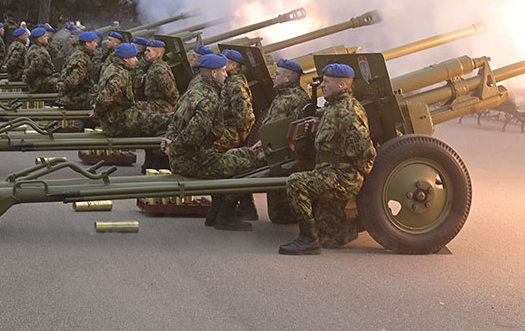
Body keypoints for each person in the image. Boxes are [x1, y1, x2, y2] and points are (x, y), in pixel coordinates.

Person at [279, 63, 376, 255]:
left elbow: (366, 152)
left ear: (341, 85)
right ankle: (367, 222)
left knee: (296, 183)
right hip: (330, 170)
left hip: (341, 175)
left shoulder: (348, 111)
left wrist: (358, 181)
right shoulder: (334, 107)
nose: (323, 85)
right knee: (329, 238)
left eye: (327, 82)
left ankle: (307, 240)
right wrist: (318, 126)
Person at [161, 53, 263, 231]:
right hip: (193, 161)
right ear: (214, 73)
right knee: (246, 164)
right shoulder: (209, 99)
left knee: (235, 156)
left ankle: (214, 214)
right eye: (223, 71)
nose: (226, 74)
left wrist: (170, 142)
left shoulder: (195, 89)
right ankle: (225, 216)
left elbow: (175, 121)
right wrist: (175, 148)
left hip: (190, 158)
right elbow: (195, 133)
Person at [246, 58, 312, 224]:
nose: (273, 77)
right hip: (271, 148)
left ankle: (241, 209)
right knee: (278, 217)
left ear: (288, 78)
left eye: (277, 74)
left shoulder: (294, 99)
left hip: (278, 153)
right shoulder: (284, 96)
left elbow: (286, 133)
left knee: (240, 163)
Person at [93, 43, 170, 137]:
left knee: (152, 115)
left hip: (115, 118)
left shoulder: (113, 67)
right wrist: (97, 110)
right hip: (118, 122)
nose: (136, 60)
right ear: (126, 59)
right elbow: (104, 98)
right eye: (133, 57)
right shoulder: (119, 75)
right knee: (160, 121)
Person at [58, 30, 98, 109]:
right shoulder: (82, 58)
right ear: (87, 44)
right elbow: (73, 81)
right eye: (94, 42)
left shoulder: (78, 52)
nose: (96, 44)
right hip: (75, 98)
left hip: (72, 95)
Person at [136, 39, 179, 112]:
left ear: (158, 54)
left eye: (148, 51)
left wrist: (173, 107)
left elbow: (171, 92)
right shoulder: (152, 66)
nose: (145, 53)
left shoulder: (158, 70)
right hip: (153, 102)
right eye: (146, 50)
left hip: (160, 105)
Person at [22, 26, 58, 93]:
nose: (47, 38)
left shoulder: (34, 48)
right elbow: (34, 70)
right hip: (40, 84)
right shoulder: (39, 52)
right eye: (44, 36)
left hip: (38, 82)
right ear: (39, 39)